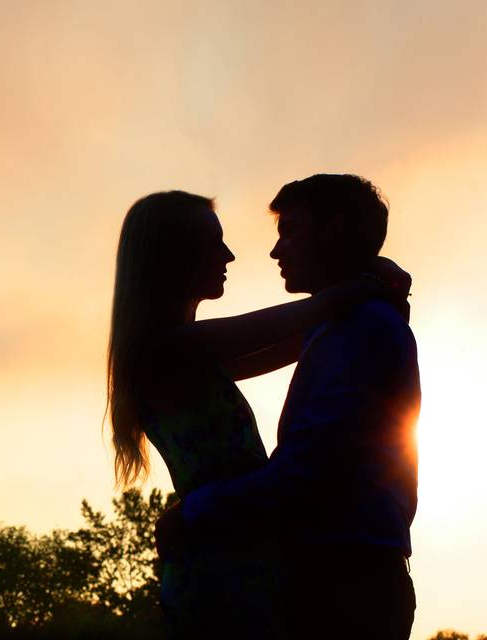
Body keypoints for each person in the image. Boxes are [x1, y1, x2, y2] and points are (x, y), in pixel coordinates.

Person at [107, 189, 410, 639]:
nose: (228, 255)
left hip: (233, 546)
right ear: (173, 255)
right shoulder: (172, 349)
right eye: (214, 243)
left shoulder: (185, 354)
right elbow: (310, 315)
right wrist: (368, 283)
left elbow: (305, 334)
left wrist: (374, 289)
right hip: (221, 561)